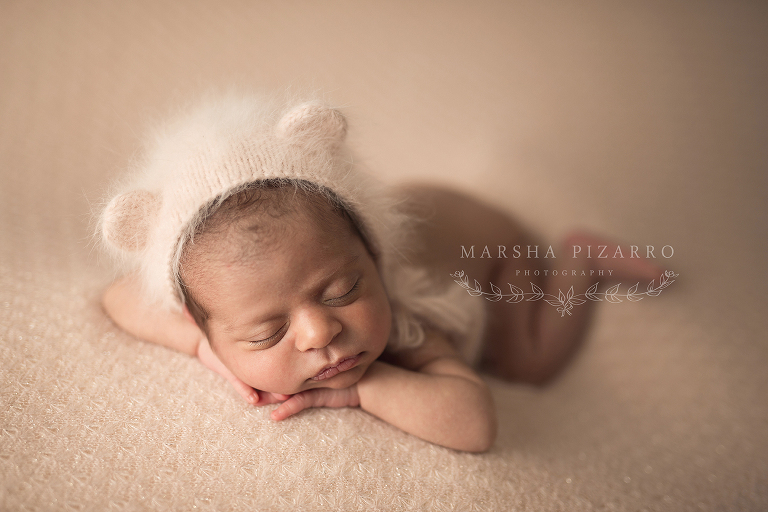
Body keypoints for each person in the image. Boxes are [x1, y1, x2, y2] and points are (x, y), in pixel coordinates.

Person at [99, 95, 663, 453]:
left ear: (375, 263)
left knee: (527, 362)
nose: (321, 333)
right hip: (408, 216)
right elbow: (120, 296)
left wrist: (363, 389)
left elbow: (474, 424)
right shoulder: (221, 298)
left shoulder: (406, 318)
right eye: (266, 332)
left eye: (343, 290)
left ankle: (581, 263)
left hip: (491, 251)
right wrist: (204, 348)